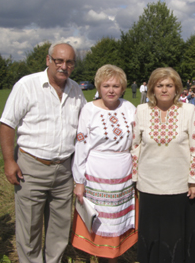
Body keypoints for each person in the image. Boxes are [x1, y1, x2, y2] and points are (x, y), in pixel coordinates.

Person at [0, 42, 87, 262]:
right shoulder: (27, 85)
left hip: (64, 169)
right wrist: (9, 161)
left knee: (59, 227)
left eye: (69, 62)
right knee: (29, 227)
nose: (63, 66)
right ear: (48, 60)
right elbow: (8, 124)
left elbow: (87, 124)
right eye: (59, 60)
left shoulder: (76, 90)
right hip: (31, 167)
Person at [132, 67, 195, 263]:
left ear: (177, 88)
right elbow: (135, 147)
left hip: (179, 185)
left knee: (176, 234)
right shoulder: (141, 111)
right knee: (152, 232)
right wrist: (134, 180)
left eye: (169, 85)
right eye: (160, 85)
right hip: (149, 184)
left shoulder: (188, 110)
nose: (164, 90)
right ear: (152, 89)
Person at [71, 65, 137, 262]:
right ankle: (99, 257)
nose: (111, 90)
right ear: (98, 87)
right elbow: (81, 146)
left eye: (116, 86)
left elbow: (137, 142)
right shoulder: (89, 110)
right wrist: (79, 181)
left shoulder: (129, 108)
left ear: (123, 88)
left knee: (117, 222)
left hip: (123, 175)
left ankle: (113, 257)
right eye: (106, 85)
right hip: (96, 173)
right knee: (98, 222)